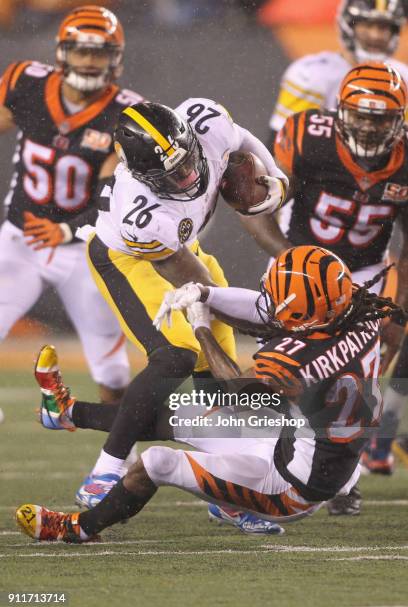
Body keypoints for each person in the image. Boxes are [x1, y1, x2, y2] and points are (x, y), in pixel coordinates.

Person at [15, 244, 406, 543]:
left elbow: (235, 388)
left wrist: (201, 325)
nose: (273, 308)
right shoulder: (356, 307)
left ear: (307, 314)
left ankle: (78, 529)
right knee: (187, 412)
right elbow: (264, 308)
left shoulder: (301, 359)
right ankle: (65, 411)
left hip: (293, 486)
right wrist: (205, 294)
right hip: (309, 440)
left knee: (158, 463)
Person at [33, 97, 289, 534]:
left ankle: (222, 493)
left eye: (187, 163)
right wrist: (252, 320)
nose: (188, 177)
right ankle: (107, 469)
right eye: (171, 175)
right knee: (177, 356)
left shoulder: (204, 122)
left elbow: (242, 138)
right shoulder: (142, 212)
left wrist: (276, 180)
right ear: (142, 174)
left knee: (222, 391)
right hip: (131, 258)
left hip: (186, 252)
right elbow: (190, 281)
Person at [252, 61, 408, 512]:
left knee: (359, 382)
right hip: (298, 266)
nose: (369, 125)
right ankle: (270, 462)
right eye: (360, 114)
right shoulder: (306, 137)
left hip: (364, 276)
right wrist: (287, 259)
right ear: (339, 110)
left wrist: (398, 310)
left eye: (381, 117)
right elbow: (256, 207)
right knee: (286, 371)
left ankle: (344, 478)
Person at [0, 5, 146, 403]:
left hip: (83, 247)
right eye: (81, 50)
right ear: (62, 52)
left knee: (112, 372)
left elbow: (113, 198)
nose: (88, 60)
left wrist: (66, 228)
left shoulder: (125, 115)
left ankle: (118, 458)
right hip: (20, 237)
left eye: (98, 52)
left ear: (114, 59)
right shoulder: (25, 83)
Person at [268, 0, 408, 148]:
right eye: (367, 25)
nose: (376, 35)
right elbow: (284, 144)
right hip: (322, 166)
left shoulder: (403, 78)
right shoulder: (312, 73)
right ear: (349, 25)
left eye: (384, 27)